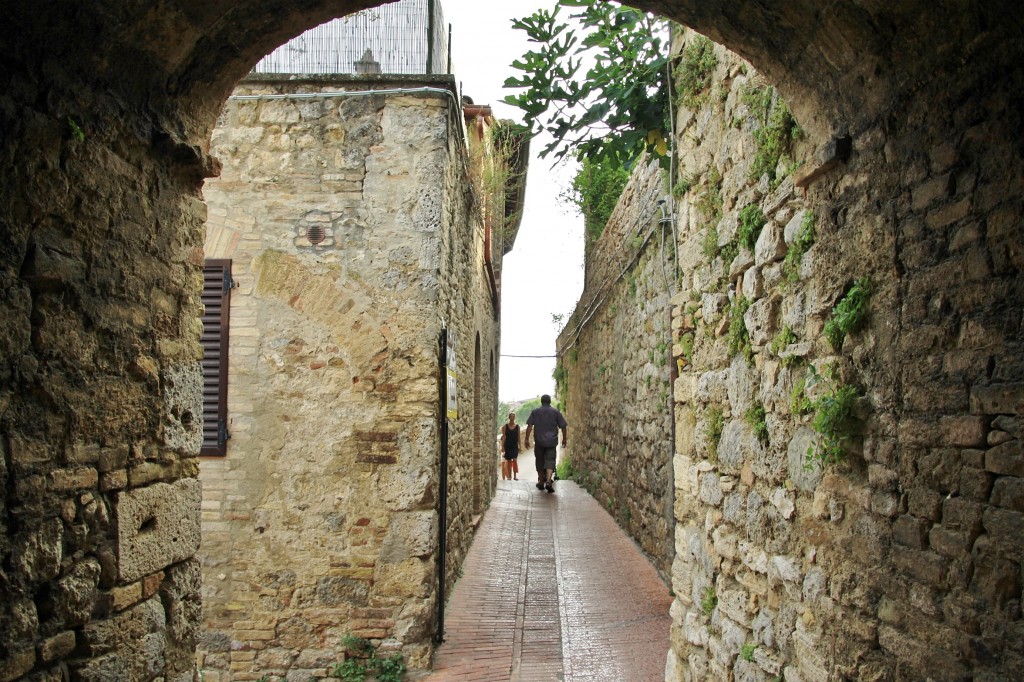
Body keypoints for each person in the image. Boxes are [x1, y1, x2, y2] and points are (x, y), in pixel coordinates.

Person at [524, 394, 567, 493]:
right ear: (550, 401)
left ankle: (541, 482)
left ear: (541, 402)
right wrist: (564, 439)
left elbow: (529, 426)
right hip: (551, 442)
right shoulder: (556, 412)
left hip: (539, 441)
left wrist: (526, 439)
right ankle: (548, 481)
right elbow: (563, 426)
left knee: (539, 461)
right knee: (550, 461)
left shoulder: (535, 412)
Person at [499, 412, 521, 480]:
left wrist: (520, 446)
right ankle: (509, 476)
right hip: (507, 446)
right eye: (511, 416)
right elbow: (504, 437)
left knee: (514, 460)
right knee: (508, 461)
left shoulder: (517, 427)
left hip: (514, 445)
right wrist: (502, 446)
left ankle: (514, 476)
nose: (512, 418)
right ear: (509, 417)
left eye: (513, 416)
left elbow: (519, 437)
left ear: (514, 417)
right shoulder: (505, 426)